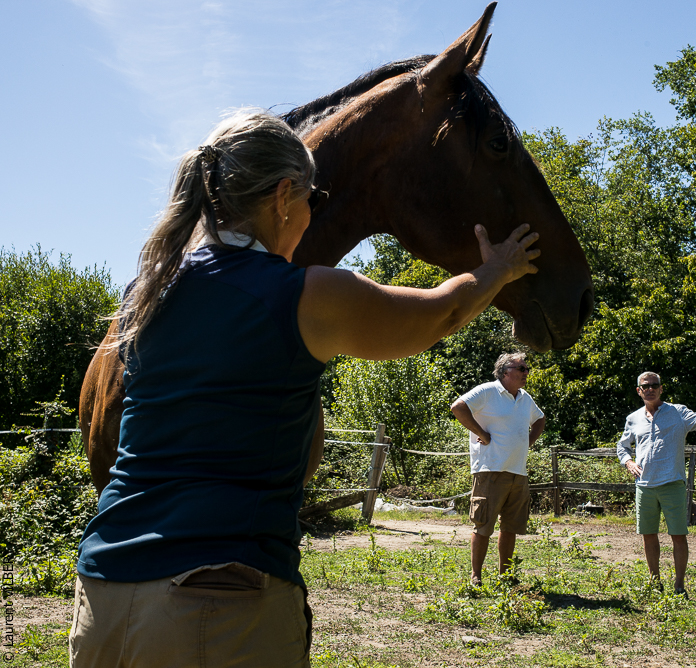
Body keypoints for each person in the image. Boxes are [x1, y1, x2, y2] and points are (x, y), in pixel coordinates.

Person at [69, 109, 540, 667]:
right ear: (283, 197)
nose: (313, 213)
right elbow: (442, 313)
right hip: (218, 600)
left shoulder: (146, 291)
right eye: (313, 199)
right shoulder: (304, 295)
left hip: (101, 593)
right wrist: (498, 270)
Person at [616, 371, 696, 597]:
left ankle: (679, 586)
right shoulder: (633, 418)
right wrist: (628, 462)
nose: (650, 389)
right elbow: (622, 446)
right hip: (644, 485)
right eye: (645, 386)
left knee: (678, 535)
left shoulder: (678, 413)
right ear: (639, 391)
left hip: (672, 483)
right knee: (648, 534)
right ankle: (655, 582)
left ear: (661, 388)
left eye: (654, 385)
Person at [451, 352, 545, 586]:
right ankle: (476, 577)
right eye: (521, 368)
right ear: (505, 372)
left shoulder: (524, 398)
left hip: (518, 472)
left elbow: (540, 419)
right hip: (490, 469)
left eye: (527, 369)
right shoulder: (487, 391)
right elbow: (458, 407)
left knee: (511, 527)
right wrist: (482, 434)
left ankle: (506, 576)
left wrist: (528, 442)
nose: (526, 372)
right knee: (483, 525)